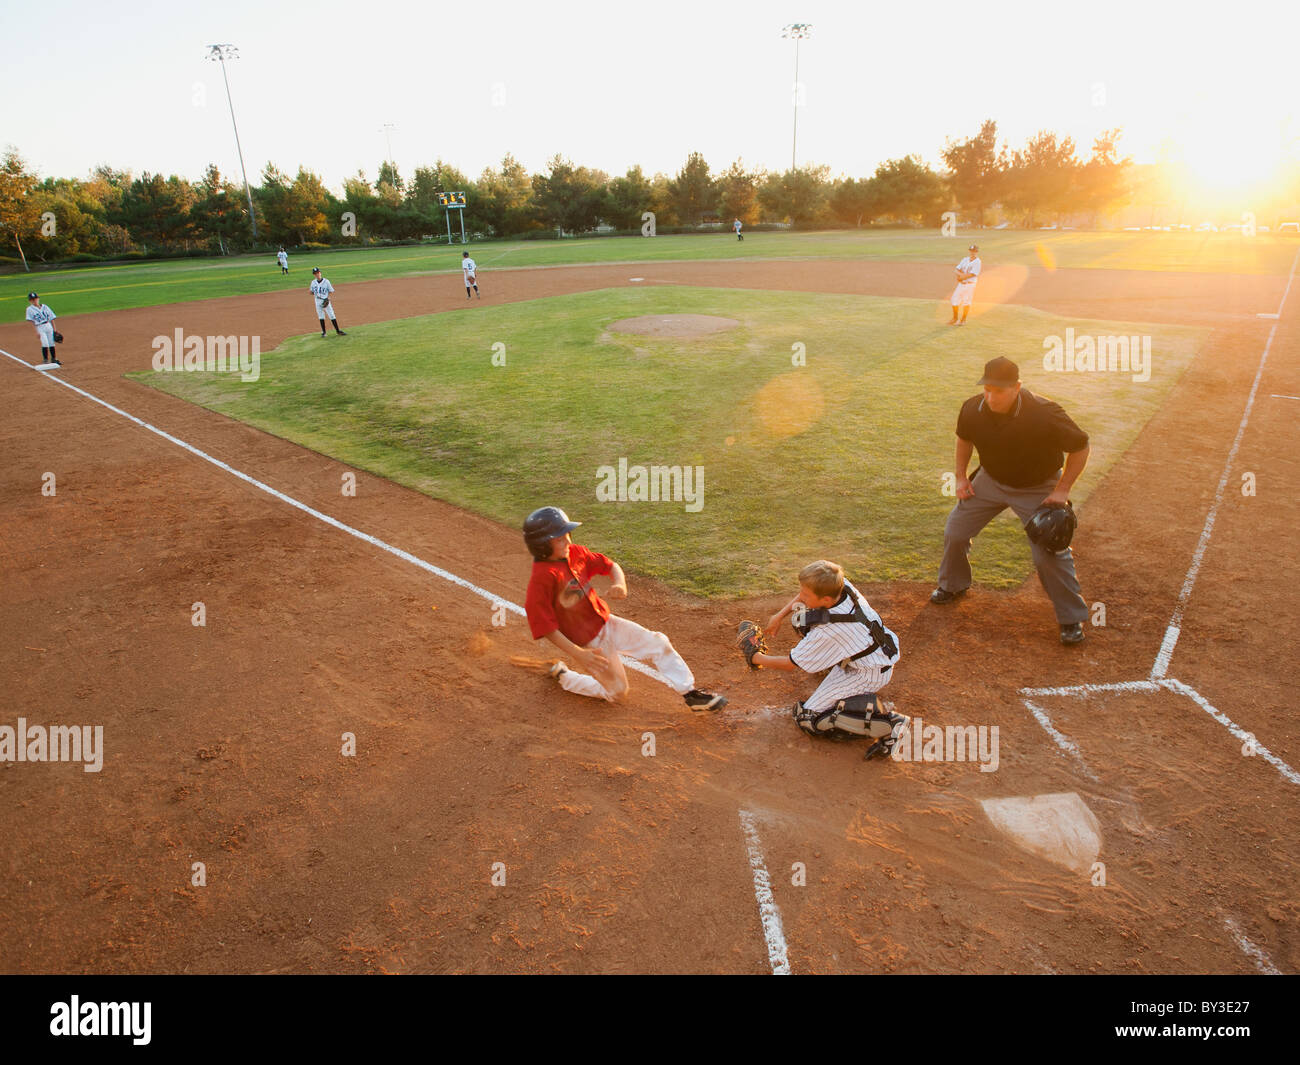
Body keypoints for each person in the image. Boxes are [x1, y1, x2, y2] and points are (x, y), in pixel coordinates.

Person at [930, 356, 1090, 645]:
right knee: (955, 531)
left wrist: (1063, 489)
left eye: (999, 391)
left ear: (1017, 387)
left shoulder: (1045, 413)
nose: (991, 397)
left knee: (1049, 550)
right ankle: (953, 586)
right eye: (987, 389)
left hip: (1038, 486)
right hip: (990, 480)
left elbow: (1080, 446)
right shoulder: (972, 408)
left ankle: (1071, 618)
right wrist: (962, 477)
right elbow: (964, 439)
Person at [522, 506, 726, 711]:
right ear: (541, 546)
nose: (567, 541)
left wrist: (620, 583)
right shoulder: (542, 578)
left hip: (609, 624)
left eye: (567, 534)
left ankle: (691, 694)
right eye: (559, 539)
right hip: (590, 643)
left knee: (658, 642)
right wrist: (578, 654)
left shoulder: (576, 553)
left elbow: (610, 566)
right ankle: (566, 677)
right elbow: (546, 627)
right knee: (618, 693)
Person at [745, 560, 909, 760]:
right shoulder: (841, 587)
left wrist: (756, 657)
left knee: (809, 719)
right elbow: (806, 594)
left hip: (867, 674)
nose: (801, 596)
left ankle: (891, 726)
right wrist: (778, 616)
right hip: (872, 649)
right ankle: (827, 663)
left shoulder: (829, 631)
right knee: (802, 616)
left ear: (825, 599)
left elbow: (790, 664)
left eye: (806, 595)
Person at [949, 244, 981, 325]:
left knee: (966, 301)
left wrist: (962, 277)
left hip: (970, 284)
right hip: (961, 284)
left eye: (974, 251)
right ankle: (955, 318)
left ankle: (963, 320)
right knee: (954, 299)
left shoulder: (978, 262)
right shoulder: (965, 259)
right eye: (971, 250)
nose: (972, 252)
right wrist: (960, 276)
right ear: (969, 251)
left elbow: (973, 274)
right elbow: (956, 269)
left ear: (977, 252)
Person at [26, 293, 61, 368]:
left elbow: (52, 318)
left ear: (38, 298)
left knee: (51, 343)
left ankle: (54, 358)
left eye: (35, 299)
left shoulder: (45, 307)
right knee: (45, 343)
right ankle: (45, 360)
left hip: (48, 325)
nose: (34, 301)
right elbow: (32, 322)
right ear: (30, 301)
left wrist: (55, 330)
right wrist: (36, 332)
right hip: (40, 327)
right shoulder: (29, 309)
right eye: (32, 300)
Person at [309, 267, 347, 337]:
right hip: (317, 300)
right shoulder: (313, 282)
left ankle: (338, 331)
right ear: (314, 275)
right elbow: (310, 292)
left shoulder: (326, 281)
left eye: (318, 273)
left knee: (331, 315)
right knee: (321, 316)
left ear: (320, 273)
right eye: (315, 274)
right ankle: (324, 332)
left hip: (325, 300)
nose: (317, 274)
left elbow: (331, 291)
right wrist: (313, 292)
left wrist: (327, 298)